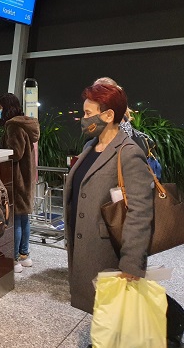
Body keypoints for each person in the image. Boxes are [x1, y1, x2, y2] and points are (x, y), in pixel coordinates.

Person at [64, 84, 154, 314]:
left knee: (113, 312)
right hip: (83, 245)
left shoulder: (128, 152)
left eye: (88, 113)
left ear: (108, 115)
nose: (84, 119)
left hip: (107, 251)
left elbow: (140, 212)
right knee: (99, 311)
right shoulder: (90, 147)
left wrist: (131, 264)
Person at [0, 93, 40, 273]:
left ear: (8, 107)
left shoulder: (13, 126)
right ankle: (24, 255)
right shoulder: (25, 124)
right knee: (23, 218)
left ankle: (14, 260)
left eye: (0, 107)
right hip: (26, 179)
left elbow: (16, 153)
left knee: (15, 221)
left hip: (17, 180)